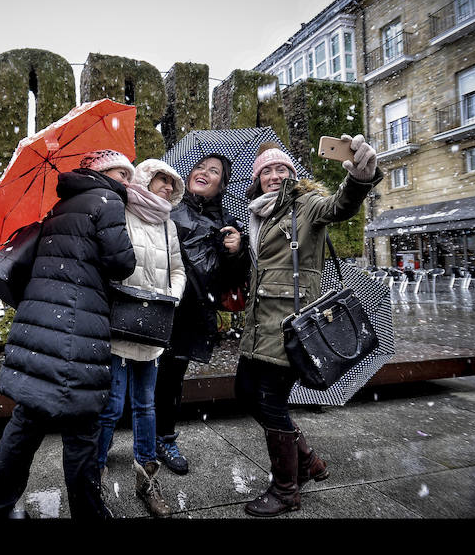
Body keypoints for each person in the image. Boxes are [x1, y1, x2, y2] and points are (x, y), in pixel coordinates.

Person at [0, 149, 137, 519]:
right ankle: (88, 513)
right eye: (122, 174)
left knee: (25, 425)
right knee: (83, 431)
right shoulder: (107, 200)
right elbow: (123, 264)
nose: (127, 183)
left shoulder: (57, 207)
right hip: (76, 331)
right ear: (102, 172)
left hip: (39, 328)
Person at [236, 134, 382, 517]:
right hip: (257, 324)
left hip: (289, 326)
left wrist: (359, 179)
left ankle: (286, 490)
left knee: (270, 403)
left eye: (280, 167)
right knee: (245, 392)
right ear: (257, 179)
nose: (273, 174)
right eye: (265, 170)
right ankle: (307, 459)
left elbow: (340, 205)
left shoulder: (307, 204)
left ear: (292, 173)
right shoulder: (258, 214)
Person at [96, 158, 186, 518]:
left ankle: (147, 482)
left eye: (170, 183)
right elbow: (108, 262)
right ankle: (92, 480)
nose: (167, 187)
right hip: (120, 325)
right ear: (145, 180)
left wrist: (172, 296)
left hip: (153, 327)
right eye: (160, 180)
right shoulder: (120, 213)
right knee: (111, 407)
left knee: (146, 406)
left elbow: (178, 269)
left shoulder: (168, 225)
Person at [153, 153, 249, 475]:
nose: (204, 173)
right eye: (200, 167)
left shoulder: (227, 224)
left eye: (214, 171)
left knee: (171, 379)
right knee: (134, 374)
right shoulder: (167, 208)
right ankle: (118, 435)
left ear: (222, 183)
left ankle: (164, 438)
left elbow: (230, 282)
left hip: (191, 313)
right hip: (158, 304)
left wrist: (237, 252)